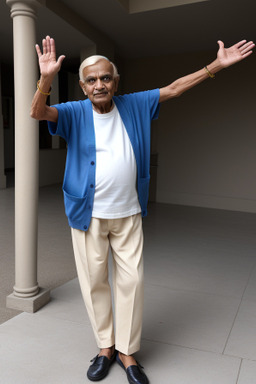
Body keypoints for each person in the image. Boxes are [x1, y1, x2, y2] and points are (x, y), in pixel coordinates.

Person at [31, 35, 254, 384]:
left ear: (115, 82)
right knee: (94, 283)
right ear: (83, 86)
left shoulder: (133, 104)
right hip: (86, 214)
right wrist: (45, 78)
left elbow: (175, 88)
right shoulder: (74, 111)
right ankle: (105, 347)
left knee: (132, 282)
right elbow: (37, 112)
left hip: (128, 212)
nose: (99, 84)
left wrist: (216, 66)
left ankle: (127, 351)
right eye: (91, 79)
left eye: (106, 77)